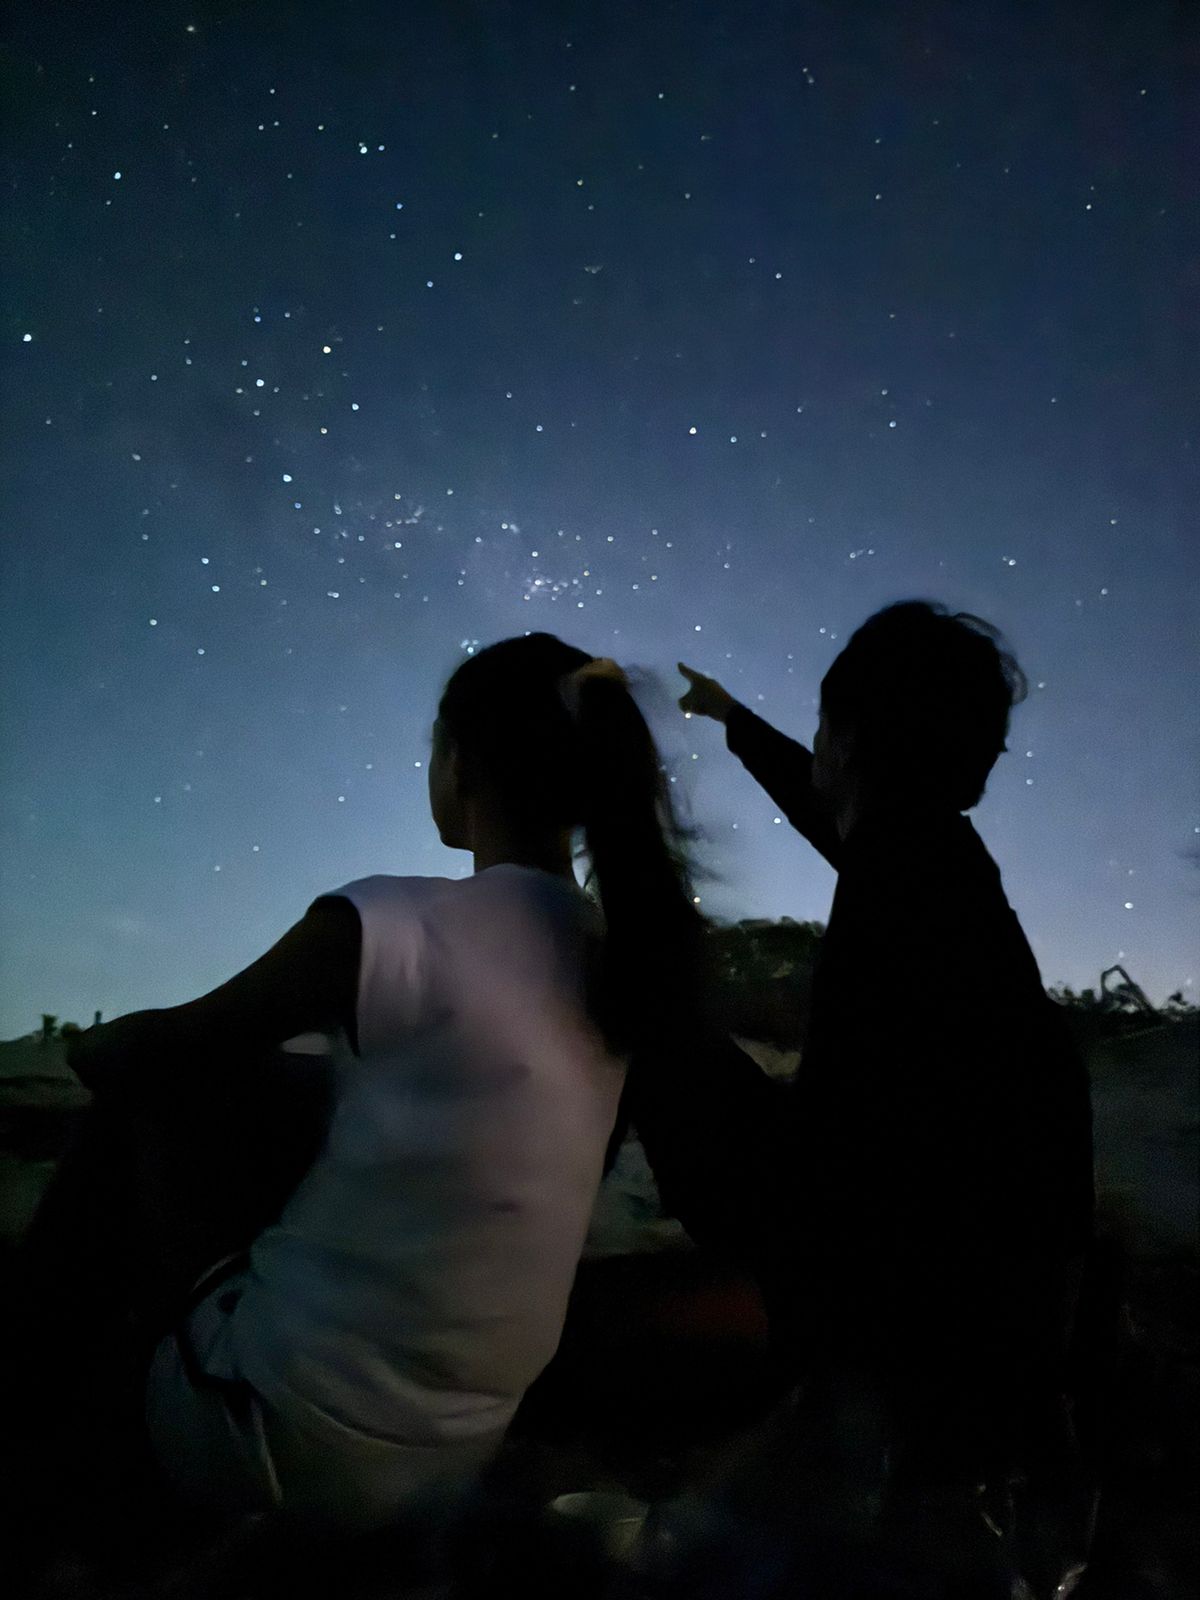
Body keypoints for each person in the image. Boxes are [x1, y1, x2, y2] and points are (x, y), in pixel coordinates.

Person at [6, 633, 708, 1552]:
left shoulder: (391, 923)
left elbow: (158, 1051)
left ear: (460, 762)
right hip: (453, 1456)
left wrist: (93, 1041)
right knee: (296, 1089)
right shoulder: (623, 966)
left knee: (148, 1106)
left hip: (271, 1443)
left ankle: (25, 1422)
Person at [671, 601, 1096, 1504]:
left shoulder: (906, 894)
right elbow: (829, 808)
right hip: (1004, 1326)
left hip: (921, 1348)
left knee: (664, 1041)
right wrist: (734, 720)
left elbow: (829, 1183)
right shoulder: (934, 857)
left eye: (826, 725)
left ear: (850, 738)